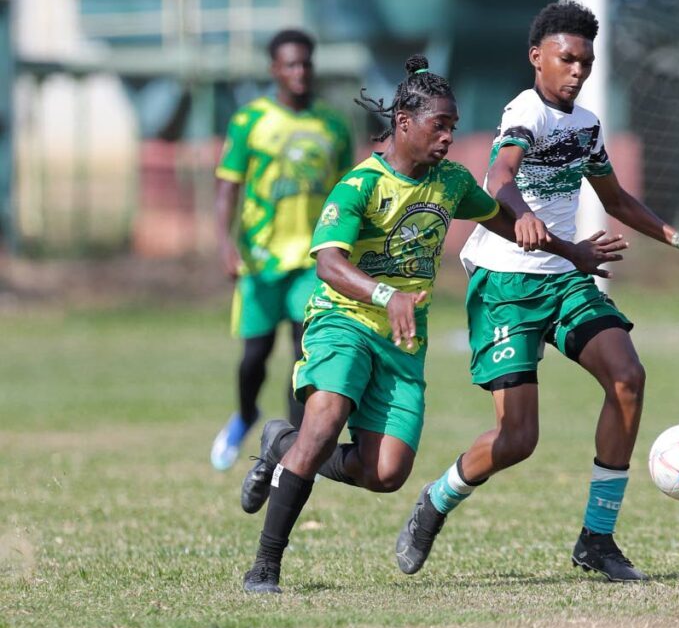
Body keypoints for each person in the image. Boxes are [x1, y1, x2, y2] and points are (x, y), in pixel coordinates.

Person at [240, 54, 626, 594]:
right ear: (403, 123)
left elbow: (509, 223)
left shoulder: (450, 182)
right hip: (343, 319)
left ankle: (281, 446)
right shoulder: (361, 184)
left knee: (387, 474)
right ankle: (265, 566)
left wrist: (572, 251)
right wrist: (384, 292)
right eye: (438, 126)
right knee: (325, 420)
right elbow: (327, 261)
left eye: (453, 127)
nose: (448, 137)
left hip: (402, 340)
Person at [392, 0, 679, 583]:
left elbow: (618, 199)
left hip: (566, 274)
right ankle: (437, 500)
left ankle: (597, 539)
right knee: (518, 438)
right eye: (566, 58)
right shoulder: (525, 113)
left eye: (586, 61)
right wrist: (520, 213)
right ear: (537, 58)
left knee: (628, 377)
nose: (577, 70)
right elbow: (498, 176)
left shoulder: (586, 125)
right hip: (505, 284)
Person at [210, 29, 353, 471]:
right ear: (274, 69)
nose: (299, 72)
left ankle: (288, 451)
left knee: (301, 355)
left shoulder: (333, 126)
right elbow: (227, 188)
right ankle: (247, 413)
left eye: (306, 63)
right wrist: (225, 244)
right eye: (290, 64)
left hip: (312, 260)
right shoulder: (250, 120)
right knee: (255, 354)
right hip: (260, 257)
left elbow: (347, 193)